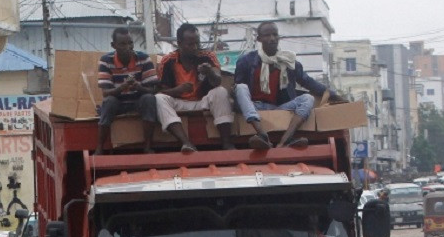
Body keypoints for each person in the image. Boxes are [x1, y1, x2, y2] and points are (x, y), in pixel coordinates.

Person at [234, 21, 345, 150]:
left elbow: (308, 82)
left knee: (308, 98)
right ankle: (262, 134)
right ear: (259, 39)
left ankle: (285, 140)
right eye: (267, 35)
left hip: (278, 108)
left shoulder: (288, 62)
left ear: (279, 37)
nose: (272, 39)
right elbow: (236, 89)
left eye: (275, 35)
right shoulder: (246, 61)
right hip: (254, 108)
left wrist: (333, 95)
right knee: (240, 88)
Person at [155, 23, 235, 152]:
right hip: (179, 102)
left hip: (203, 101)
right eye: (190, 44)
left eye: (197, 43)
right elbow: (160, 91)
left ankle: (227, 143)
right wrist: (178, 90)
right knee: (159, 98)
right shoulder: (168, 61)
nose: (195, 47)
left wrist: (209, 72)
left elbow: (218, 81)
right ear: (179, 43)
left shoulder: (207, 56)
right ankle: (186, 143)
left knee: (220, 91)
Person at [96, 27, 159, 154]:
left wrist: (138, 87)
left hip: (138, 101)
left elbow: (153, 90)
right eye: (123, 44)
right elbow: (105, 93)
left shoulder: (143, 58)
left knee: (149, 99)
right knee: (109, 102)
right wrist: (122, 87)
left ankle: (147, 146)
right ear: (114, 45)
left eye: (130, 43)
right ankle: (99, 147)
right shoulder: (106, 61)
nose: (128, 47)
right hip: (118, 102)